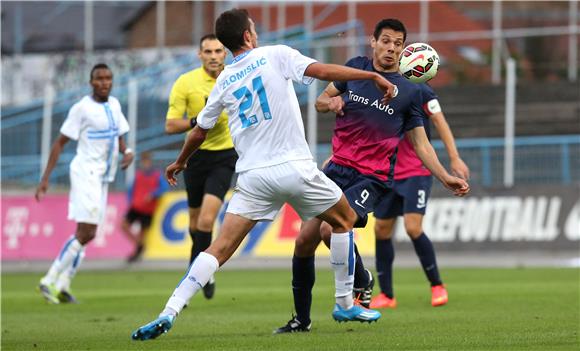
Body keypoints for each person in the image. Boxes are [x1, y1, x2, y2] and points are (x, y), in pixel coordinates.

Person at [131, 8, 403, 341]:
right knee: (344, 220)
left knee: (218, 248)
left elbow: (198, 132)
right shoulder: (276, 55)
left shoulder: (223, 82)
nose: (256, 32)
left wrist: (180, 162)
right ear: (248, 35)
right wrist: (371, 76)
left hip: (253, 178)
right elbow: (321, 71)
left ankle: (169, 311)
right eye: (254, 28)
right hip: (294, 167)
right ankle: (345, 301)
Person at [274, 18, 470, 334]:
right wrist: (331, 102)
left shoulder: (410, 90)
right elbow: (322, 99)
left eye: (398, 43)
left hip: (372, 178)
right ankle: (302, 319)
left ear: (404, 49)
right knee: (303, 241)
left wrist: (445, 176)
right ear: (373, 41)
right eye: (386, 41)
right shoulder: (355, 69)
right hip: (335, 169)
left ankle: (360, 282)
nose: (391, 48)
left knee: (329, 229)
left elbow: (420, 142)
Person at [35, 63, 133, 304]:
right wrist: (45, 179)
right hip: (85, 172)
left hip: (103, 176)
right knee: (86, 231)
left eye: (108, 78)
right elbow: (59, 143)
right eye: (99, 78)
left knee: (88, 233)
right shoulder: (82, 108)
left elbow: (119, 134)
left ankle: (63, 285)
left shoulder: (114, 105)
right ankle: (49, 280)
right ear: (91, 82)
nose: (104, 82)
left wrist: (126, 151)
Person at [370, 83, 470, 309]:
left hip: (417, 170)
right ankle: (387, 295)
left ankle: (437, 286)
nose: (392, 50)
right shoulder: (376, 85)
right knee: (381, 229)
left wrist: (454, 158)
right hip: (387, 171)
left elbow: (439, 121)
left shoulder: (421, 90)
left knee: (413, 227)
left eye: (397, 45)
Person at [165, 33, 236, 299]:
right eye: (208, 52)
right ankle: (201, 266)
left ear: (225, 54)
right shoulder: (186, 82)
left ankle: (197, 275)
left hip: (226, 155)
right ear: (200, 55)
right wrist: (199, 121)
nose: (214, 56)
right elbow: (171, 125)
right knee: (195, 224)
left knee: (207, 220)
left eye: (218, 51)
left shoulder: (236, 77)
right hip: (195, 156)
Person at [121, 151, 168, 263]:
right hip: (136, 207)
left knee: (142, 232)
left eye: (147, 162)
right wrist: (130, 201)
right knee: (124, 225)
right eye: (143, 162)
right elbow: (130, 190)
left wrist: (153, 194)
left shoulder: (157, 175)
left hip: (148, 209)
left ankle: (136, 254)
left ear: (150, 162)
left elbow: (164, 188)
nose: (145, 164)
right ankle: (140, 245)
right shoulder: (138, 175)